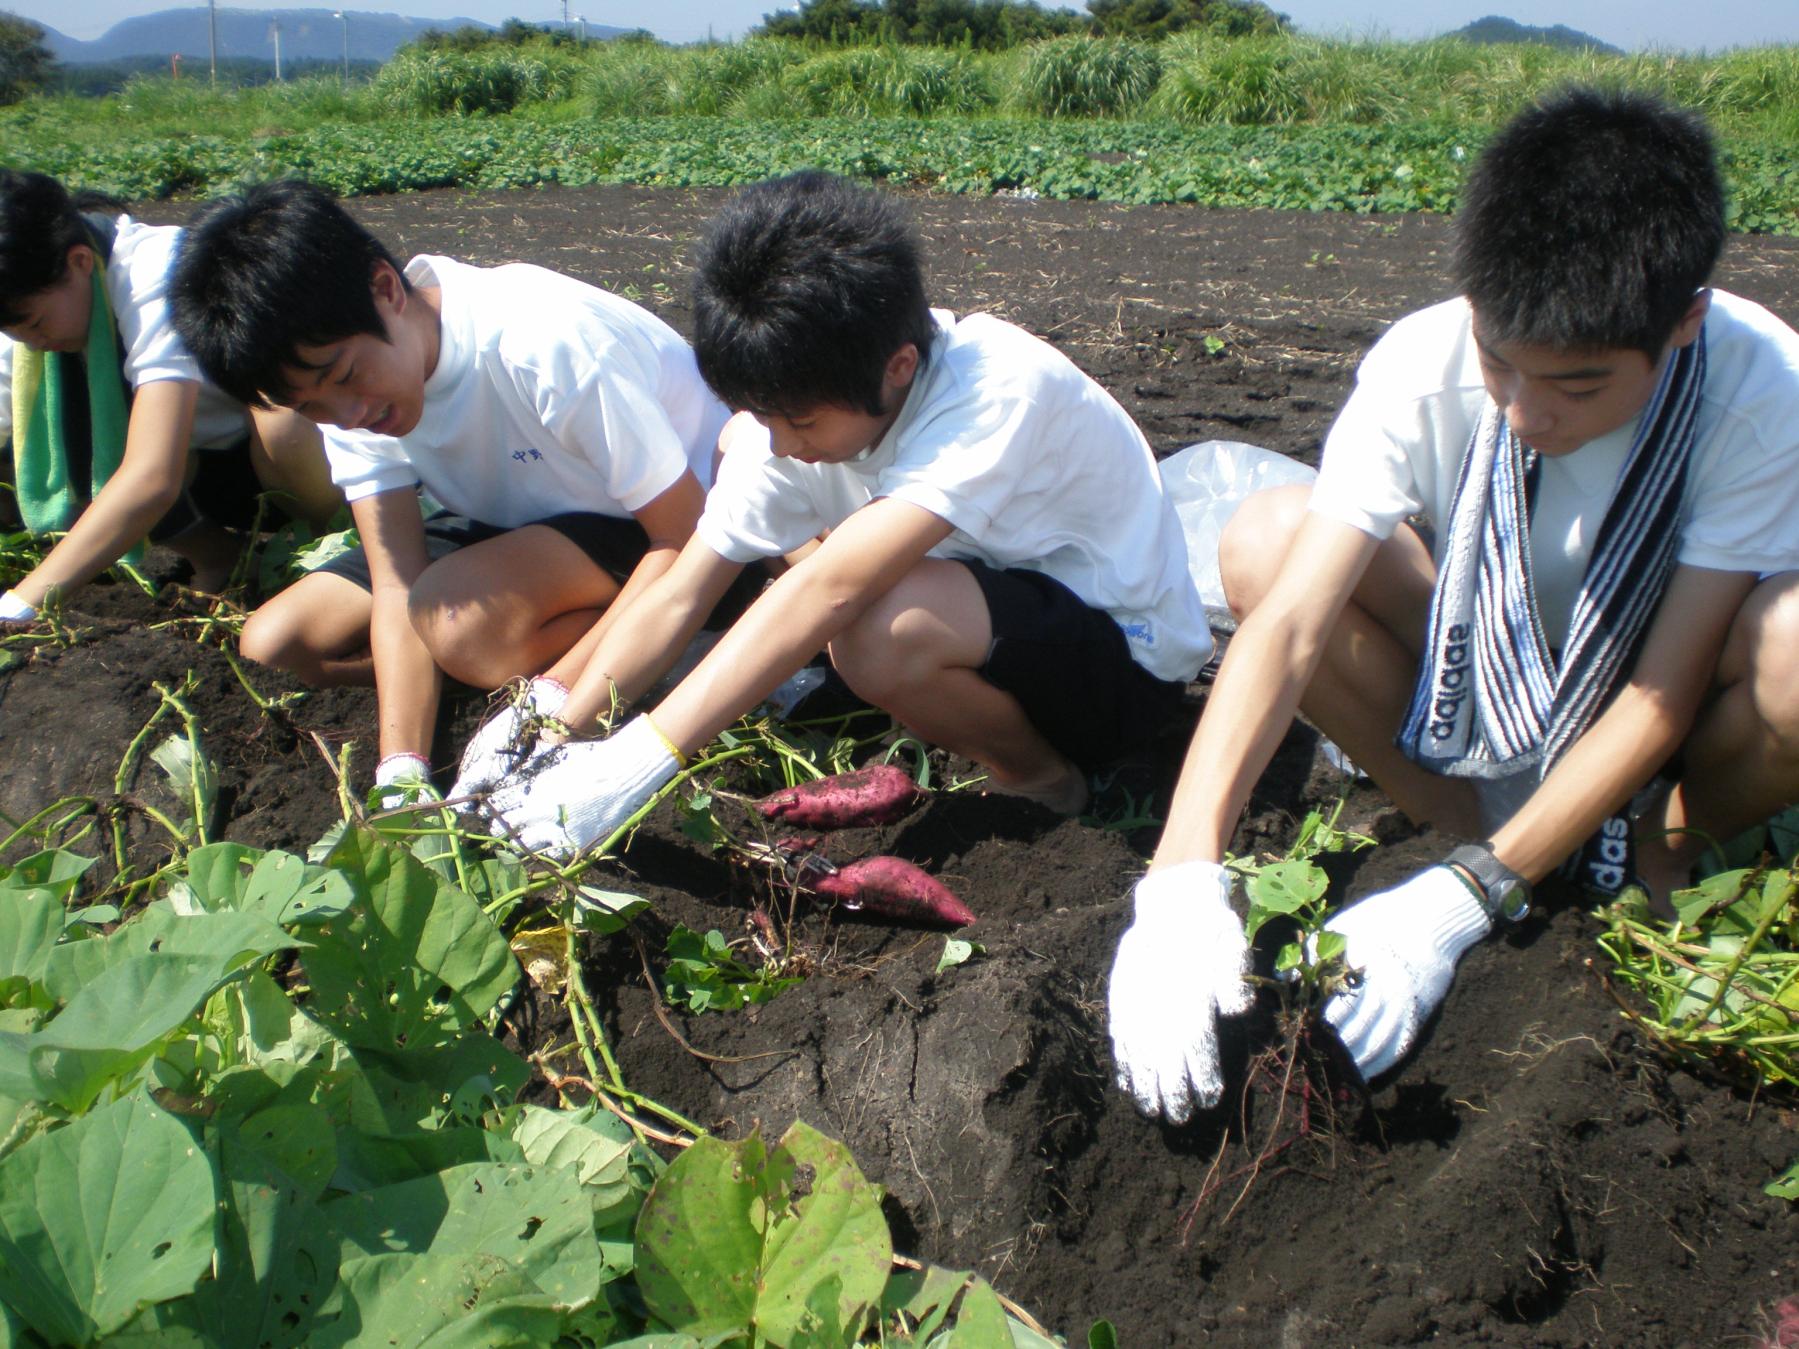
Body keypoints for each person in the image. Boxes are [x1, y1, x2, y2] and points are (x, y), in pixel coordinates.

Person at [1108, 86, 1799, 1124]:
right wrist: (1178, 870)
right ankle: (1455, 822)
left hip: (1655, 695)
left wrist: (1458, 907)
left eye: (1576, 384)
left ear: (1682, 323)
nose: (1524, 413)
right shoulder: (1420, 366)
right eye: (1497, 364)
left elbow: (1663, 689)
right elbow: (1290, 622)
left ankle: (1654, 854)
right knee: (1264, 540)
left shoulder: (1755, 391)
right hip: (1488, 665)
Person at [458, 169, 1211, 854]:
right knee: (851, 598)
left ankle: (1053, 783)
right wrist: (549, 726)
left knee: (877, 627)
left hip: (1125, 667)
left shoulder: (998, 387)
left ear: (898, 368)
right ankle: (1007, 745)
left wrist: (635, 764)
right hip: (1001, 633)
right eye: (763, 415)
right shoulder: (787, 424)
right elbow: (684, 589)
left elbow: (830, 587)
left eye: (801, 424)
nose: (781, 446)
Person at [170, 179, 733, 804]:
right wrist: (401, 769)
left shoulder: (538, 341)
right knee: (275, 644)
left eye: (345, 377)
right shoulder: (355, 399)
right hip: (520, 517)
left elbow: (683, 530)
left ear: (386, 289)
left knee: (462, 628)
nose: (347, 414)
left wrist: (544, 713)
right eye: (311, 405)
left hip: (674, 512)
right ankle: (526, 652)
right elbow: (396, 582)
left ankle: (656, 641)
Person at [0, 168, 338, 620]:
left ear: (80, 261)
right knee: (50, 437)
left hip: (308, 455)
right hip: (213, 469)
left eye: (36, 325)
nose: (31, 343)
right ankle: (223, 556)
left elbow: (153, 476)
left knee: (281, 420)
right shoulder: (29, 313)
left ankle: (333, 551)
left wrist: (22, 604)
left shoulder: (157, 274)